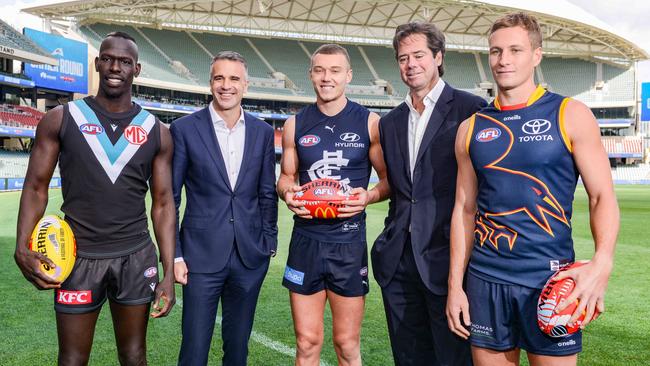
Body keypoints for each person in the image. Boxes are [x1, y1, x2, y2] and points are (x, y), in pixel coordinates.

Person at [446, 12, 619, 366]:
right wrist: (455, 286)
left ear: (536, 55)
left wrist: (602, 262)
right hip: (486, 279)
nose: (503, 60)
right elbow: (464, 209)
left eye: (515, 50)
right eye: (495, 51)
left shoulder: (571, 113)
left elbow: (602, 196)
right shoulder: (471, 128)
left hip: (551, 281)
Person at [14, 31, 175, 365]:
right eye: (108, 58)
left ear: (137, 69)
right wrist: (22, 246)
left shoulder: (157, 130)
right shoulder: (61, 118)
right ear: (98, 63)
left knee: (134, 357)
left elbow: (162, 203)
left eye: (125, 61)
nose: (115, 66)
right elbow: (35, 187)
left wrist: (169, 272)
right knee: (72, 359)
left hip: (135, 257)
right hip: (76, 257)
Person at [371, 21, 487, 365]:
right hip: (398, 265)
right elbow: (399, 189)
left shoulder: (471, 109)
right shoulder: (389, 122)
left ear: (438, 57)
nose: (411, 64)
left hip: (449, 262)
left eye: (419, 55)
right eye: (403, 58)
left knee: (453, 359)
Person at [277, 44, 389, 366]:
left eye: (335, 70)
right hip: (305, 242)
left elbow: (387, 181)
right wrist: (289, 194)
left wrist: (367, 196)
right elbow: (285, 178)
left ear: (348, 76)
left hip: (348, 244)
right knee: (307, 343)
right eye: (320, 70)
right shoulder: (294, 125)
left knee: (347, 345)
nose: (327, 78)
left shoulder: (369, 123)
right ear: (311, 74)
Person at [171, 50, 278, 366]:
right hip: (200, 257)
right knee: (194, 350)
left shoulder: (262, 132)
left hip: (249, 257)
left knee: (238, 350)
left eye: (234, 78)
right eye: (219, 77)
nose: (226, 85)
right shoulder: (185, 129)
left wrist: (268, 243)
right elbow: (170, 198)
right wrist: (175, 254)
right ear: (210, 82)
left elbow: (267, 193)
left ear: (245, 85)